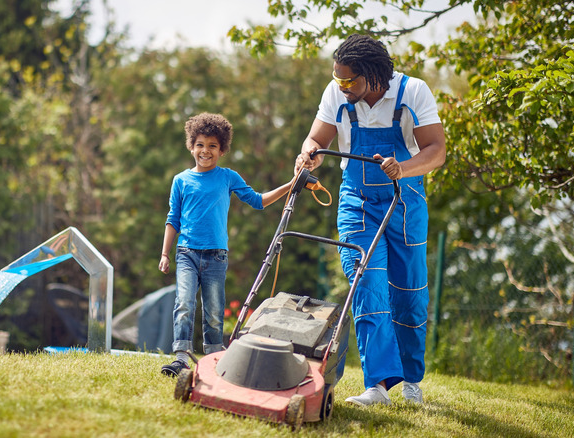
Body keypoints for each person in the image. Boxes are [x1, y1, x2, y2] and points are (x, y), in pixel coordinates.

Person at [295, 34, 446, 405]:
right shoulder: (337, 94)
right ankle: (377, 386)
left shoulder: (414, 92)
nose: (342, 86)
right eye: (338, 79)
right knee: (366, 283)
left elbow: (437, 150)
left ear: (374, 76)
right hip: (357, 202)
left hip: (405, 203)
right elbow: (315, 138)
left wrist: (404, 167)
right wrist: (309, 155)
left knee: (409, 296)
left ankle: (411, 381)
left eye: (350, 81)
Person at [159, 112, 294, 377]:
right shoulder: (181, 180)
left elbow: (258, 200)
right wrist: (165, 253)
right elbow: (172, 219)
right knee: (184, 303)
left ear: (222, 150)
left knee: (214, 311)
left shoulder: (227, 177)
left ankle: (213, 358)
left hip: (216, 256)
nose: (205, 151)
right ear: (191, 146)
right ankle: (181, 358)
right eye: (200, 144)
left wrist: (291, 185)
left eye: (212, 146)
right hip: (186, 253)